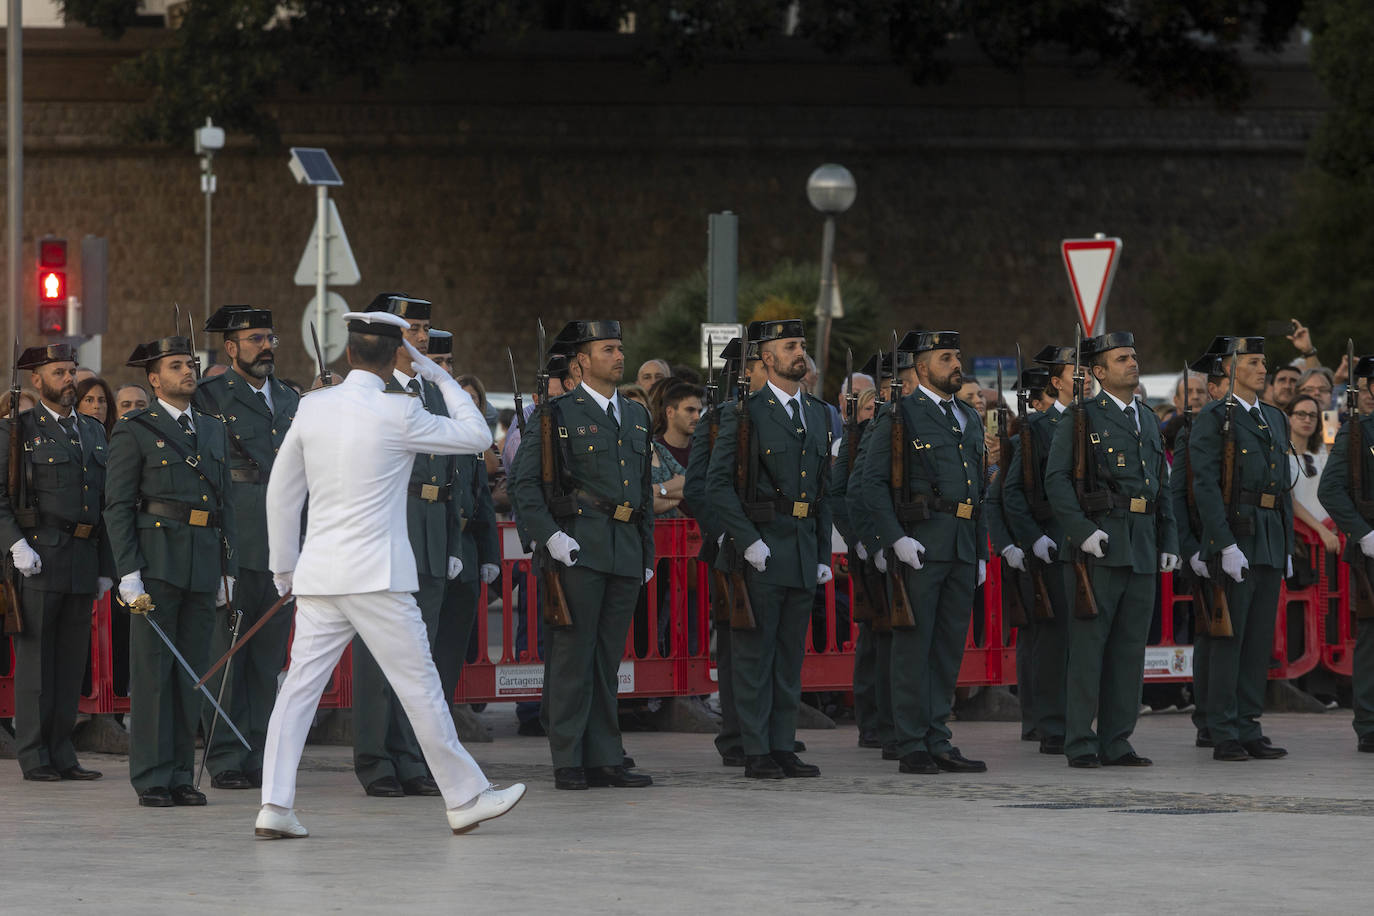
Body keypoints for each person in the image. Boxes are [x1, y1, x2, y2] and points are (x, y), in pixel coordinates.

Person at [255, 309, 523, 839]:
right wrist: (437, 374)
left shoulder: (312, 408)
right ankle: (465, 797)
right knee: (421, 686)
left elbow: (282, 493)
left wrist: (284, 567)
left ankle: (275, 805)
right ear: (395, 357)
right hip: (378, 575)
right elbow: (475, 436)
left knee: (298, 693)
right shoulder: (400, 412)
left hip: (320, 575)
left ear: (349, 354)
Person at [511, 319, 656, 790]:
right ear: (582, 361)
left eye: (620, 347)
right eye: (608, 349)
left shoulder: (636, 417)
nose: (619, 356)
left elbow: (643, 494)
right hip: (579, 548)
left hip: (624, 549)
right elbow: (524, 484)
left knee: (607, 660)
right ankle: (569, 757)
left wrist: (647, 551)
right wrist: (550, 536)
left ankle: (606, 756)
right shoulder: (557, 414)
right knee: (573, 658)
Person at [104, 334, 238, 807]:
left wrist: (229, 569)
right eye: (177, 365)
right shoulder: (136, 428)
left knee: (191, 675)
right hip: (156, 563)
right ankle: (153, 776)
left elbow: (225, 505)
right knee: (154, 673)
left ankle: (183, 773)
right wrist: (128, 572)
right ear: (154, 378)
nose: (188, 371)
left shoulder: (213, 428)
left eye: (191, 363)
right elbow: (118, 506)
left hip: (203, 563)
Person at [854, 330, 988, 775]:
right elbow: (870, 484)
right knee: (913, 648)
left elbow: (978, 489)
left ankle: (938, 737)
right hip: (921, 544)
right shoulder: (899, 415)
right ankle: (910, 741)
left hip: (962, 545)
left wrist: (982, 550)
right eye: (945, 357)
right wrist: (894, 538)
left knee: (947, 649)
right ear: (922, 367)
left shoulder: (967, 416)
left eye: (957, 355)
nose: (956, 363)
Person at [705, 318, 832, 779]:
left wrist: (821, 554)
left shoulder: (817, 412)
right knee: (755, 656)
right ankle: (756, 748)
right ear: (766, 358)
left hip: (799, 548)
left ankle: (782, 744)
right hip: (762, 547)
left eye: (800, 344)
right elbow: (718, 486)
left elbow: (822, 491)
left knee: (788, 658)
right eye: (789, 345)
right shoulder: (745, 412)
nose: (799, 352)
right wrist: (749, 540)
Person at [1044, 331, 1177, 769]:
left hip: (1141, 544)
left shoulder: (1146, 417)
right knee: (1088, 651)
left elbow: (1162, 485)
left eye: (1135, 356)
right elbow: (1057, 479)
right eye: (1123, 359)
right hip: (1099, 546)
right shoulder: (1083, 417)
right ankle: (1081, 740)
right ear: (1099, 372)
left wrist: (1168, 539)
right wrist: (1081, 530)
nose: (1133, 363)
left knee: (1128, 651)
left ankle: (1117, 740)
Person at [346, 293, 460, 798]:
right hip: (391, 528)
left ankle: (411, 759)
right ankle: (376, 761)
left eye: (424, 328)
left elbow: (456, 471)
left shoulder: (432, 392)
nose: (421, 337)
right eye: (411, 328)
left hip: (432, 532)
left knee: (421, 661)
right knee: (378, 660)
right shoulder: (370, 392)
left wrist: (452, 539)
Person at [192, 305, 300, 791]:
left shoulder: (292, 397)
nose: (266, 347)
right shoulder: (209, 396)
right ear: (231, 348)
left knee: (267, 659)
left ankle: (259, 752)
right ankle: (227, 756)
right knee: (227, 658)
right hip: (237, 540)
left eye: (270, 338)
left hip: (283, 546)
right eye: (255, 339)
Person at [1, 344, 114, 783]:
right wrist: (15, 544)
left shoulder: (92, 431)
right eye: (59, 372)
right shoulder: (17, 430)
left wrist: (106, 564)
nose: (69, 380)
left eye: (71, 372)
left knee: (70, 664)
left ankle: (63, 751)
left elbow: (105, 503)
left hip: (83, 557)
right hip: (39, 556)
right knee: (36, 666)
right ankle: (34, 754)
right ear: (37, 380)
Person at [1187, 336, 1291, 762]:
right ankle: (1223, 728)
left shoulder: (1273, 417)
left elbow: (1281, 483)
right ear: (1229, 368)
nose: (1262, 368)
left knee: (1257, 640)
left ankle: (1249, 724)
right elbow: (1205, 485)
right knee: (1230, 637)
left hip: (1268, 534)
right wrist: (1223, 543)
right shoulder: (1214, 416)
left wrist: (1284, 543)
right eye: (1253, 361)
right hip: (1237, 532)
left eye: (1263, 361)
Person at [682, 337, 761, 767]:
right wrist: (727, 534)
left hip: (757, 543)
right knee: (736, 645)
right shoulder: (718, 419)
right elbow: (698, 488)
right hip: (730, 548)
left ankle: (760, 729)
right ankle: (736, 734)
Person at [1002, 346, 1075, 755]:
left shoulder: (1093, 421)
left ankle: (1079, 718)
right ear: (1056, 382)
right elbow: (1011, 495)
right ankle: (1050, 724)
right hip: (1051, 543)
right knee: (1051, 642)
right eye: (1074, 370)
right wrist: (1032, 538)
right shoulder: (1036, 429)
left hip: (1088, 544)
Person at [836, 350, 901, 759]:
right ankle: (871, 721)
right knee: (874, 636)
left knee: (895, 634)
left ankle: (892, 717)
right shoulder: (853, 438)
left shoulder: (891, 431)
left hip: (896, 543)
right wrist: (862, 540)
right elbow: (843, 493)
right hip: (869, 546)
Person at [1317, 355, 1374, 753]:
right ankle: (1369, 722)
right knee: (1372, 638)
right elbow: (1330, 490)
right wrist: (1364, 534)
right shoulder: (1359, 432)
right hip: (1373, 546)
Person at [1287, 395, 1338, 554]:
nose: (1307, 420)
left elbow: (1336, 487)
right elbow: (1290, 500)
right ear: (1289, 417)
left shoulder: (1324, 451)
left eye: (1312, 415)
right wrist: (1322, 530)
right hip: (1300, 537)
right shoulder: (1280, 455)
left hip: (1332, 533)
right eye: (1301, 414)